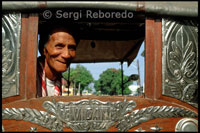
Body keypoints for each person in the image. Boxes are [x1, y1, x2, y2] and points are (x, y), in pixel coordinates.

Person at [36, 24, 79, 97]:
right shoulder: (26, 80)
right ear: (42, 49)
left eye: (71, 48)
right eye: (59, 46)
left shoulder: (58, 81)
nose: (67, 55)